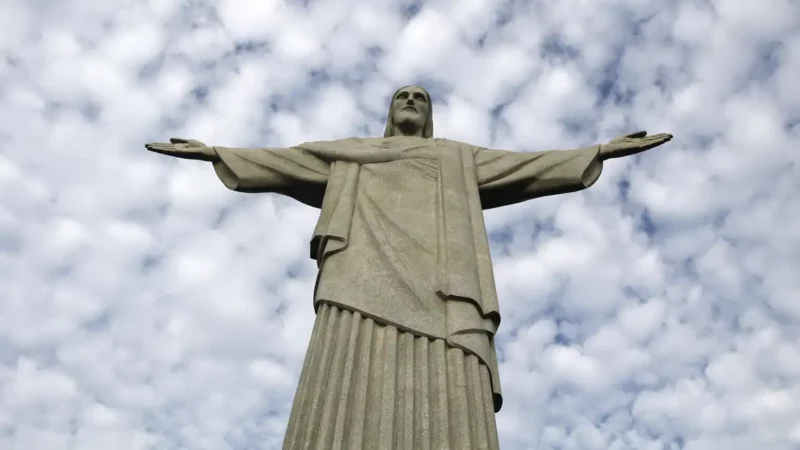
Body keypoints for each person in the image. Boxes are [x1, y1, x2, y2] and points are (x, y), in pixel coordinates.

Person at [146, 85, 671, 450]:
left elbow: (526, 166)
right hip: (358, 276)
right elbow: (287, 161)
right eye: (403, 96)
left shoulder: (456, 158)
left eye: (421, 97)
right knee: (345, 377)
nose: (412, 102)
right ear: (391, 110)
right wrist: (216, 151)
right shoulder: (351, 153)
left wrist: (599, 150)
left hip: (444, 288)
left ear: (430, 113)